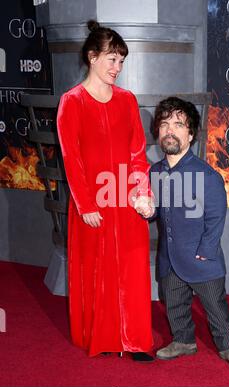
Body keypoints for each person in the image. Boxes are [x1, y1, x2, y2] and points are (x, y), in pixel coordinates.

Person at [57, 20, 154, 362]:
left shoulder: (128, 100)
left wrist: (142, 193)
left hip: (124, 198)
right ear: (92, 57)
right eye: (112, 59)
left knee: (132, 268)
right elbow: (72, 159)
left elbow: (137, 153)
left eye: (122, 61)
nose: (118, 68)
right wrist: (85, 204)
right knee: (99, 269)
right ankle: (108, 337)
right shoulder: (72, 101)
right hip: (92, 203)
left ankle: (137, 340)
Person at [149, 97, 229, 368]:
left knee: (215, 306)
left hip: (202, 258)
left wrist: (206, 251)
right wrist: (149, 211)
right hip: (169, 258)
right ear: (158, 131)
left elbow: (216, 216)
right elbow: (159, 210)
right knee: (173, 301)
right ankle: (183, 341)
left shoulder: (206, 174)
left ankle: (228, 346)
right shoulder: (155, 172)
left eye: (178, 125)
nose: (170, 130)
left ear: (190, 134)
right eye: (165, 124)